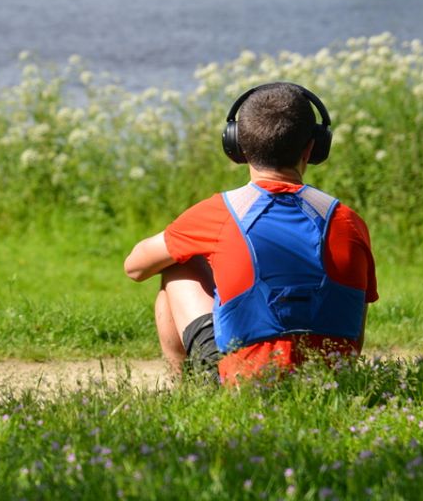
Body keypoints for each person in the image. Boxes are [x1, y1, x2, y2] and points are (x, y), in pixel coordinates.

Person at [124, 82, 378, 384]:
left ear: (237, 148)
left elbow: (135, 267)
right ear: (313, 149)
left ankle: (190, 391)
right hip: (331, 377)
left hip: (247, 381)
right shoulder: (348, 219)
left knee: (179, 264)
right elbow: (356, 327)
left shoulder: (219, 213)